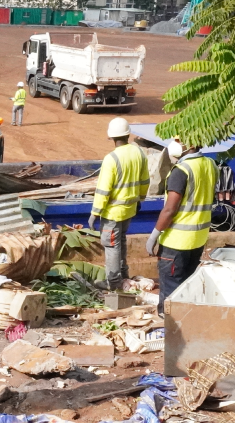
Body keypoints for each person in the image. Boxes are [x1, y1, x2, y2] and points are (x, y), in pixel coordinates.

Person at [147, 141, 217, 316]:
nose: (174, 144)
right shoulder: (210, 164)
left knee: (171, 289)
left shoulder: (181, 171)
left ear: (192, 144)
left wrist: (154, 235)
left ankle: (171, 325)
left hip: (176, 242)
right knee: (187, 285)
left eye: (179, 140)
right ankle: (188, 320)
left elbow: (170, 209)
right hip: (198, 239)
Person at [89, 117, 149, 290]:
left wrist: (95, 212)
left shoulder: (111, 158)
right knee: (120, 241)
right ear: (128, 134)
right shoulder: (139, 153)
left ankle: (114, 283)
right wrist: (140, 199)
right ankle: (124, 277)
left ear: (112, 138)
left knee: (112, 245)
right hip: (130, 209)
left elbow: (103, 190)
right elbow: (145, 181)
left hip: (113, 213)